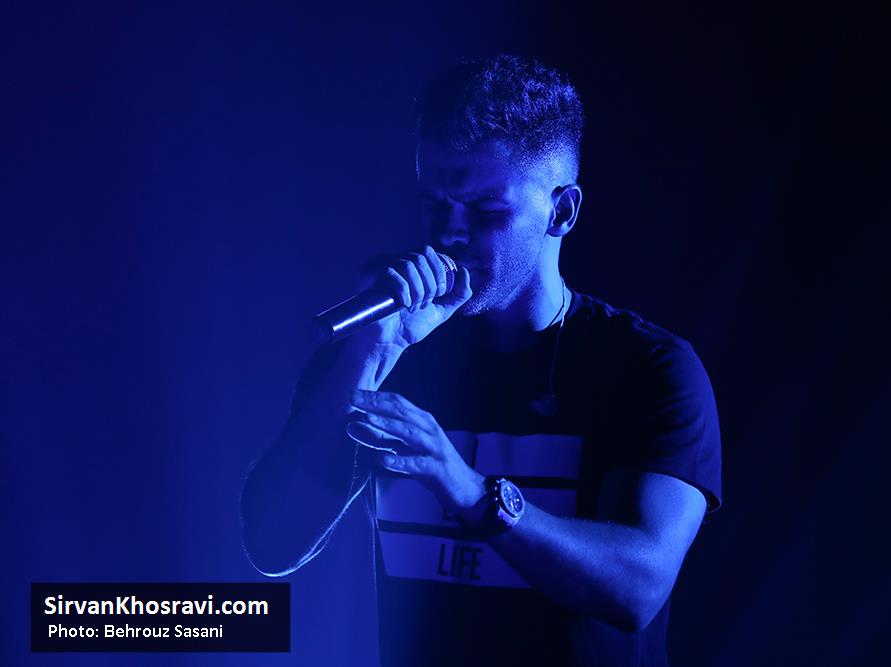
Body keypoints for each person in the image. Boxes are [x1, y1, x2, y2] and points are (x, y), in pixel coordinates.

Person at [240, 54, 722, 667]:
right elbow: (273, 542)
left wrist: (468, 491)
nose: (451, 233)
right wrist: (372, 352)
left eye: (487, 211)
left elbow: (637, 588)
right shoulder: (384, 351)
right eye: (434, 205)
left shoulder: (649, 368)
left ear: (562, 211)